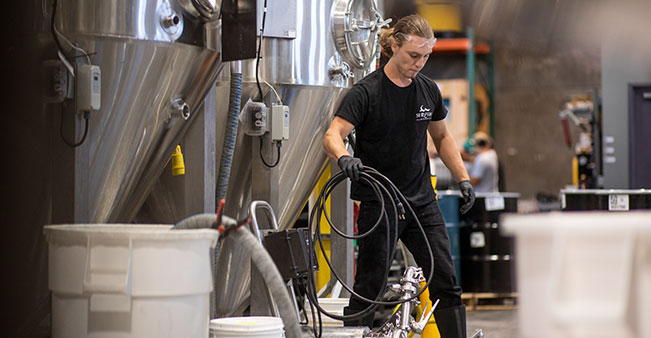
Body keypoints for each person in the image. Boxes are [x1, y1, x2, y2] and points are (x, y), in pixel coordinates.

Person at [322, 14, 475, 338]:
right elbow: (333, 134)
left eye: (426, 56)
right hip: (380, 203)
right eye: (413, 55)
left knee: (445, 280)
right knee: (369, 285)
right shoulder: (366, 92)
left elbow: (443, 138)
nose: (419, 63)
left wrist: (462, 178)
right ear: (393, 47)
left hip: (421, 201)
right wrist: (345, 158)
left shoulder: (427, 90)